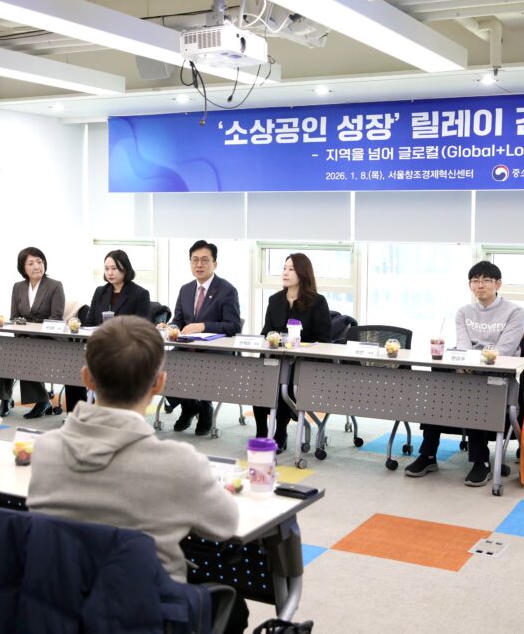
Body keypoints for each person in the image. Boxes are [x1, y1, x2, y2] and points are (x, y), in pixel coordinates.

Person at [28, 316, 245, 629]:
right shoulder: (180, 463)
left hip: (60, 610)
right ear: (159, 384)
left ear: (87, 378)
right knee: (235, 607)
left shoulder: (46, 449)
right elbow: (225, 526)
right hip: (147, 615)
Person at [405, 260, 524, 487]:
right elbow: (463, 345)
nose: (480, 285)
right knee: (436, 387)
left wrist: (473, 365)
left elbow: (505, 349)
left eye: (486, 280)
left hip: (499, 375)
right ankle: (428, 455)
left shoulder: (514, 312)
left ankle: (481, 461)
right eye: (475, 281)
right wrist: (466, 364)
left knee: (473, 391)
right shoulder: (464, 312)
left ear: (498, 284)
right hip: (468, 369)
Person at [163, 240, 242, 436]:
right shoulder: (185, 289)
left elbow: (233, 326)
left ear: (215, 263)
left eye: (205, 260)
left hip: (214, 350)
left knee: (200, 366)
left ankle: (205, 405)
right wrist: (170, 327)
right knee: (162, 364)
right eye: (195, 260)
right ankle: (189, 405)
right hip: (187, 348)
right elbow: (178, 320)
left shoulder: (227, 290)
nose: (199, 265)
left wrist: (203, 326)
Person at [258, 253, 331, 451]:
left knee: (285, 383)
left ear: (302, 273)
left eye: (291, 269)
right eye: (284, 268)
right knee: (260, 382)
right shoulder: (275, 300)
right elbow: (266, 333)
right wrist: (273, 339)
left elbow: (325, 340)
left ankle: (280, 432)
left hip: (304, 365)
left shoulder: (317, 302)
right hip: (277, 360)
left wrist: (300, 346)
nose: (285, 273)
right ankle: (261, 432)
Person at [66, 250, 151, 412]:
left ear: (125, 269)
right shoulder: (100, 291)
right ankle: (78, 413)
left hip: (124, 349)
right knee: (71, 365)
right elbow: (90, 323)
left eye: (114, 268)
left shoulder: (140, 294)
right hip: (100, 346)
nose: (110, 273)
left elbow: (144, 329)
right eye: (107, 269)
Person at [0, 247, 66, 419]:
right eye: (31, 263)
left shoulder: (55, 286)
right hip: (25, 339)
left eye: (40, 262)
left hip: (49, 340)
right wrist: (24, 335)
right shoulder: (18, 287)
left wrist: (31, 335)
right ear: (23, 268)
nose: (37, 266)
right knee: (5, 353)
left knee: (26, 352)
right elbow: (14, 317)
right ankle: (6, 399)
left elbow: (55, 319)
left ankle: (42, 400)